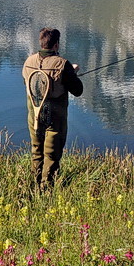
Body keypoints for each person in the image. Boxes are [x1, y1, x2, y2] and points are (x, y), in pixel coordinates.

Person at [22, 27, 83, 189]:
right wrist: (73, 72)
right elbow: (78, 91)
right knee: (52, 154)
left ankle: (33, 186)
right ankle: (46, 189)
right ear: (56, 45)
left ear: (41, 43)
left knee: (36, 151)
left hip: (33, 117)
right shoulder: (63, 65)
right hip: (55, 119)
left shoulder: (28, 62)